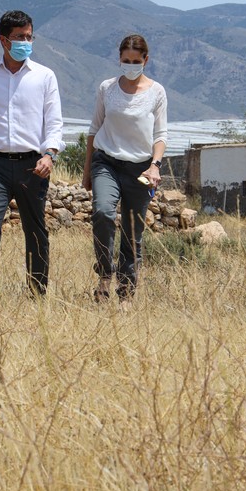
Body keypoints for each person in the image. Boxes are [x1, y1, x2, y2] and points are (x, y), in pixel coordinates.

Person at [0, 10, 64, 296]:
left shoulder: (45, 77)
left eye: (29, 37)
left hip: (32, 165)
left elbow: (55, 123)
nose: (26, 42)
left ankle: (36, 293)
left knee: (35, 231)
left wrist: (50, 155)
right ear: (3, 41)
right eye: (20, 37)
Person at [82, 34, 167, 302]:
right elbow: (94, 129)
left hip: (141, 169)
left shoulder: (157, 92)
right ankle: (105, 274)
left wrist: (155, 166)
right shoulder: (107, 88)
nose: (130, 65)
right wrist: (87, 171)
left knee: (133, 230)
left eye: (135, 61)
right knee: (103, 212)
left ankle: (127, 291)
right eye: (125, 60)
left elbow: (160, 135)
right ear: (118, 59)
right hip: (106, 161)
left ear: (146, 60)